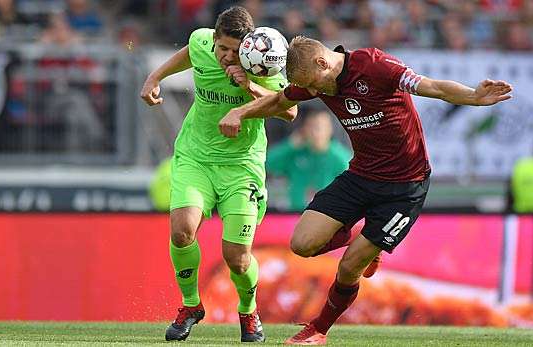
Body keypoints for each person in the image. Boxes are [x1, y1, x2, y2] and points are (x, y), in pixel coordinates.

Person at [219, 36, 512, 345]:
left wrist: (473, 96)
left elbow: (434, 87)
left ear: (323, 62)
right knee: (302, 245)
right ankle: (359, 239)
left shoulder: (375, 66)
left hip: (404, 188)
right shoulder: (314, 79)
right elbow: (281, 101)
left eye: (314, 85)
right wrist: (240, 112)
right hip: (361, 176)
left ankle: (318, 329)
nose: (314, 92)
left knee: (348, 266)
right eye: (309, 89)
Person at [140, 6, 297, 342]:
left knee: (236, 258)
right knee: (182, 231)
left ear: (249, 48)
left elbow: (291, 110)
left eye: (234, 51)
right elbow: (186, 55)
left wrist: (252, 88)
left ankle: (248, 310)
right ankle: (191, 306)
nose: (226, 56)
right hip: (195, 157)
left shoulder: (262, 66)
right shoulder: (201, 43)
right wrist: (155, 77)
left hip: (242, 167)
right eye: (221, 48)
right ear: (213, 38)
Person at [266, 110, 351, 211]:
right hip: (294, 215)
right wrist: (290, 145)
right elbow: (266, 164)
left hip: (328, 216)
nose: (315, 132)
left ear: (329, 129)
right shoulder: (295, 152)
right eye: (311, 127)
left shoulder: (340, 158)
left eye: (319, 127)